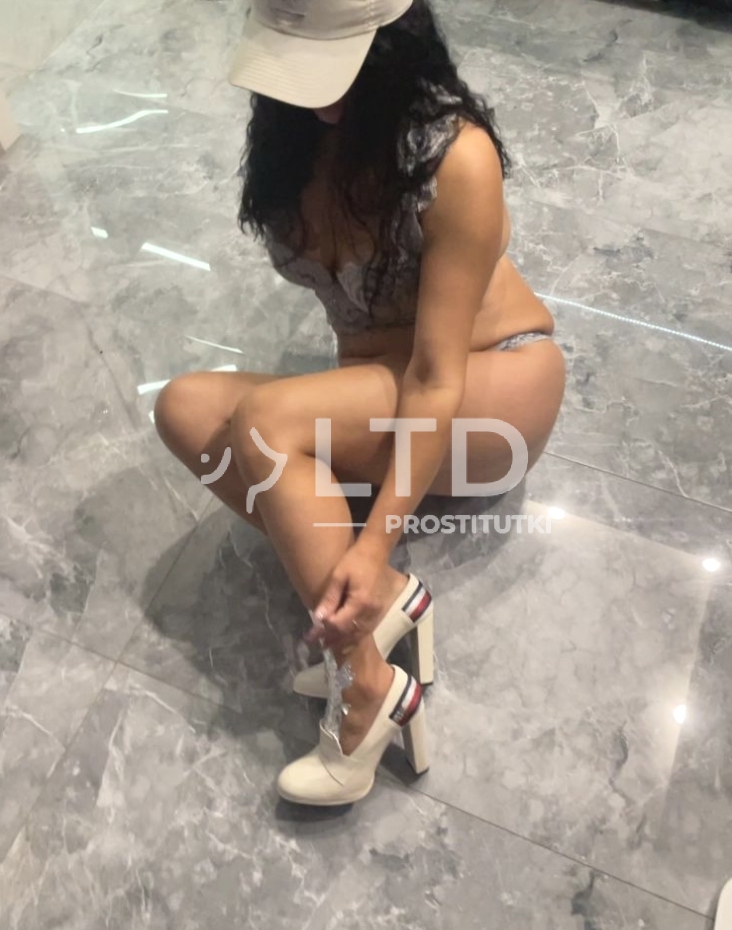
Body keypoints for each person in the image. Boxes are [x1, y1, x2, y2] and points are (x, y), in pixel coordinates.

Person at [154, 0, 566, 806]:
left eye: (336, 64)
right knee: (185, 410)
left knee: (267, 423)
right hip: (383, 391)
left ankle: (367, 689)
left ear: (392, 44)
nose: (316, 94)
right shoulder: (293, 135)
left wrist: (375, 545)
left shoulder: (454, 156)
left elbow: (435, 374)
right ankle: (382, 613)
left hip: (492, 386)